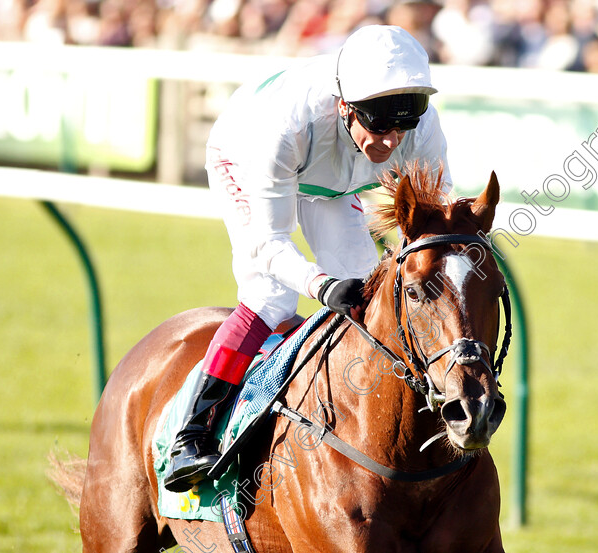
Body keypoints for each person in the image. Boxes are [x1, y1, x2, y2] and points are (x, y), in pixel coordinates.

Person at [164, 24, 453, 493]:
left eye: (405, 121)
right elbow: (269, 244)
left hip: (331, 183)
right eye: (377, 122)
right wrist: (319, 285)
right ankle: (191, 434)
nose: (392, 139)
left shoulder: (423, 131)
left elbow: (427, 228)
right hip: (245, 153)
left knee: (364, 289)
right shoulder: (286, 126)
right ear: (345, 106)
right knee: (271, 294)